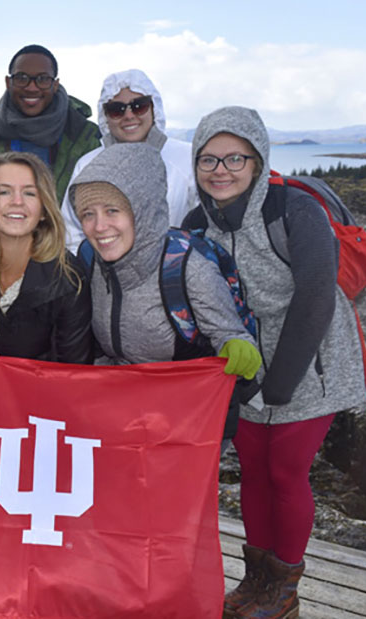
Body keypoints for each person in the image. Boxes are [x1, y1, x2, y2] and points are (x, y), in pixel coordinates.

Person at [185, 106, 366, 618]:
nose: (220, 170)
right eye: (208, 159)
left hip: (313, 361)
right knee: (252, 472)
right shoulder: (198, 224)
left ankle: (284, 588)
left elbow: (315, 296)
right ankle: (257, 581)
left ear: (258, 160)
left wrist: (281, 385)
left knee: (286, 472)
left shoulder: (295, 210)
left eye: (235, 158)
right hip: (246, 367)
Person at [67, 142, 261, 443]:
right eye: (87, 214)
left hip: (188, 422)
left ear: (142, 210)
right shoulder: (90, 260)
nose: (99, 226)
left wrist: (237, 348)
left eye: (112, 210)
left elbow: (228, 333)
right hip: (123, 412)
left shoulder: (184, 267)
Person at [0, 151, 93, 363]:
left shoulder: (69, 276)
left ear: (44, 209)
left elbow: (72, 366)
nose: (17, 202)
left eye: (30, 193)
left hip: (41, 391)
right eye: (4, 192)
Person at [61, 69, 198, 253]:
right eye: (116, 110)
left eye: (138, 106)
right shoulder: (87, 165)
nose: (129, 116)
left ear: (153, 108)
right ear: (105, 117)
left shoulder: (186, 158)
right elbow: (72, 234)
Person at [0, 44, 100, 205]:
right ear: (8, 82)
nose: (31, 87)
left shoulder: (88, 138)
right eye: (21, 78)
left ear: (55, 84)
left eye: (43, 79)